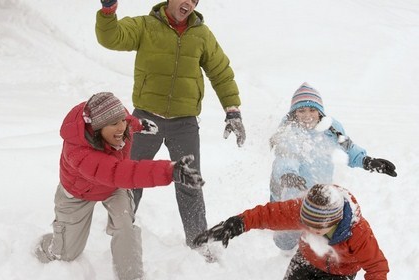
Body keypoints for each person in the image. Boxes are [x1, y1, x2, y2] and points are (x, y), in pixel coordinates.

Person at [95, 0, 246, 253]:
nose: (188, 2)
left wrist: (233, 110)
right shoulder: (145, 25)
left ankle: (199, 242)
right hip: (145, 120)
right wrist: (108, 11)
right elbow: (112, 37)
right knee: (129, 177)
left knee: (189, 182)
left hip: (184, 123)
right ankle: (117, 233)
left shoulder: (201, 35)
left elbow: (221, 71)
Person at [35, 92, 204, 280]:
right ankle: (46, 244)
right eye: (114, 124)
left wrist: (138, 125)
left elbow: (125, 119)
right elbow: (119, 172)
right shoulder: (79, 153)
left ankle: (132, 276)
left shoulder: (119, 123)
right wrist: (169, 171)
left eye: (122, 122)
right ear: (97, 129)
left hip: (113, 188)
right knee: (66, 253)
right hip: (79, 192)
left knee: (125, 226)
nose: (121, 128)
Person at [268, 82, 397, 252]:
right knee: (286, 239)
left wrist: (367, 161)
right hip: (289, 189)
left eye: (312, 110)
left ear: (320, 112)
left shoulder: (331, 128)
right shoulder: (289, 132)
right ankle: (285, 256)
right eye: (301, 111)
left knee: (321, 231)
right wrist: (287, 174)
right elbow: (285, 157)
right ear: (294, 113)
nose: (307, 115)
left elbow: (348, 149)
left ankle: (313, 258)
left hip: (319, 192)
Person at [193, 184, 389, 280]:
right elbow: (268, 214)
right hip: (305, 261)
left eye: (317, 228)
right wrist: (237, 224)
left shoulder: (358, 232)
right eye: (306, 225)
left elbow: (377, 267)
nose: (310, 231)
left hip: (340, 273)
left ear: (335, 221)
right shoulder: (304, 210)